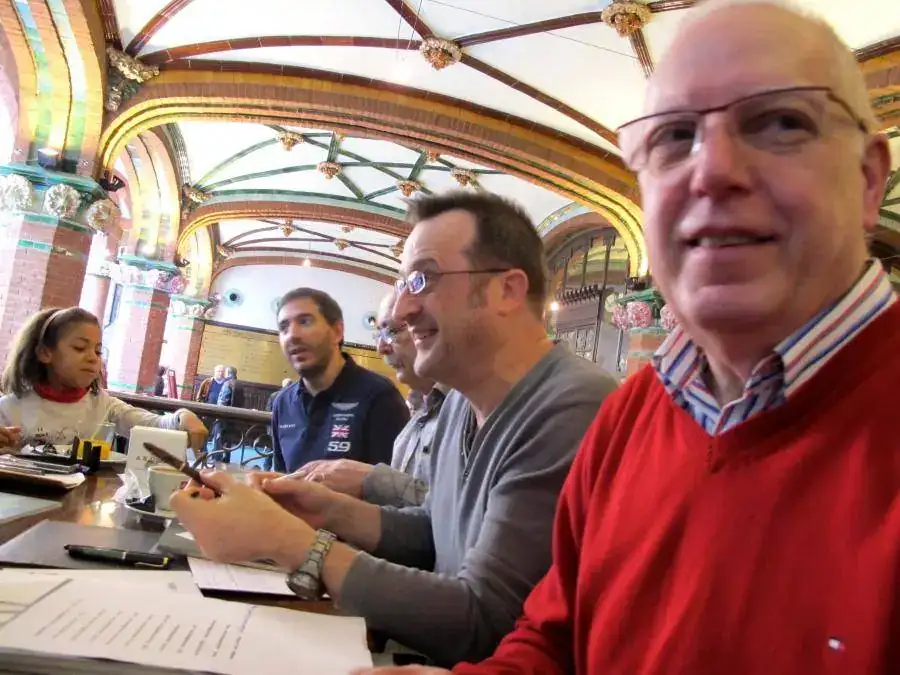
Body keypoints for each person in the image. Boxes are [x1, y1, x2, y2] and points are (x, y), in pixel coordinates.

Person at [358, 2, 900, 673]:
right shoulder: (633, 415)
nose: (712, 170)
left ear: (868, 178)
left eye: (782, 122)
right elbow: (555, 638)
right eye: (675, 136)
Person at [171, 192, 618, 666]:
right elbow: (434, 535)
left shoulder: (573, 406)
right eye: (404, 283)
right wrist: (327, 510)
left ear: (506, 290)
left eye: (422, 279)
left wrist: (287, 541)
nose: (402, 310)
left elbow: (487, 622)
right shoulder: (458, 403)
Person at [295, 289, 447, 507]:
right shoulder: (417, 412)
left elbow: (455, 515)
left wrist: (369, 480)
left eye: (392, 331)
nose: (381, 348)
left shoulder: (468, 409)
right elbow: (405, 515)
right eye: (379, 335)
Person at [0, 307, 208, 451]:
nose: (92, 358)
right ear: (45, 353)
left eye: (98, 351)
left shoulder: (104, 406)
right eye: (80, 348)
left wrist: (182, 417)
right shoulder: (9, 408)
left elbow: (154, 425)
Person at [268, 288, 409, 473]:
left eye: (305, 321)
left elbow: (394, 485)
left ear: (337, 331)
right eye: (284, 327)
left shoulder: (380, 397)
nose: (292, 335)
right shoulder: (283, 403)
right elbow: (281, 478)